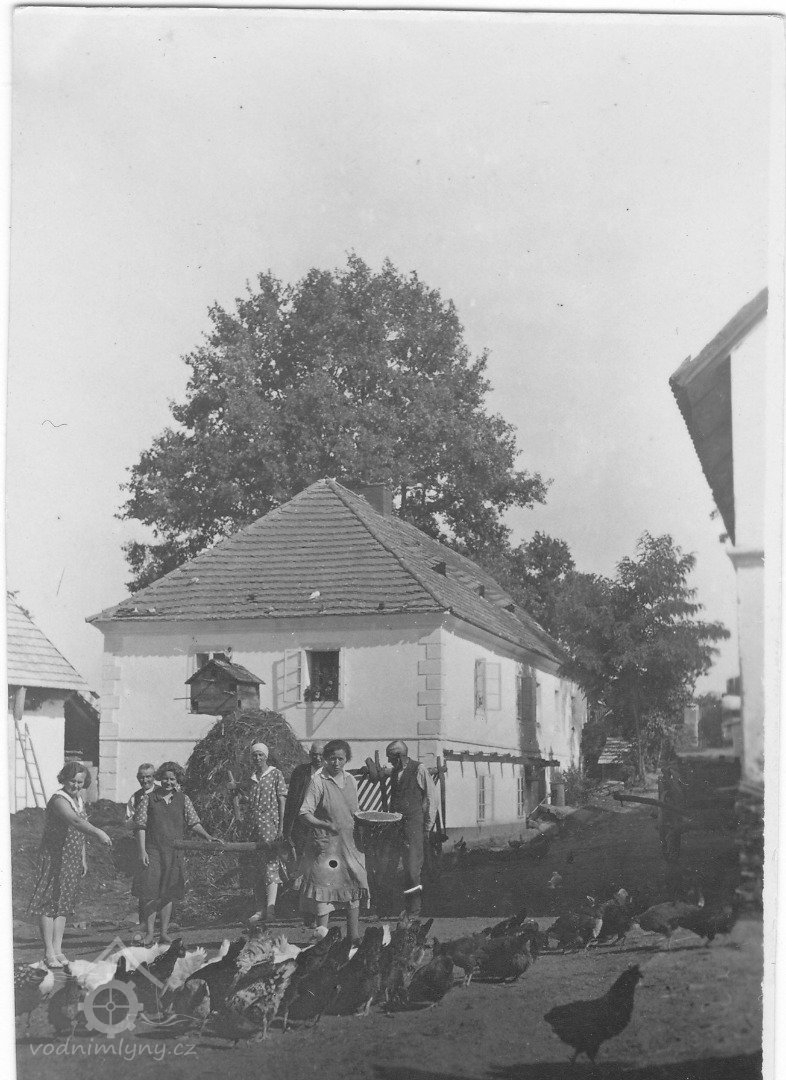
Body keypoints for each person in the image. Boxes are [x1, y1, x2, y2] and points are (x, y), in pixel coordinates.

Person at [27, 761, 113, 968]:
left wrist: (82, 857)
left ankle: (58, 949)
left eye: (80, 782)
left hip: (71, 858)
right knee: (49, 902)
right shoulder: (59, 800)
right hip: (55, 857)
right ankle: (48, 951)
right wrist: (99, 832)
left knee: (63, 904)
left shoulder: (78, 800)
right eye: (72, 781)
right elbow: (75, 822)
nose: (75, 785)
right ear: (64, 779)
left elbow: (78, 833)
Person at [133, 761, 220, 944]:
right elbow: (140, 826)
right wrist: (142, 851)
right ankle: (150, 934)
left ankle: (164, 933)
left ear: (177, 780)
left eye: (172, 779)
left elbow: (193, 822)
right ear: (159, 779)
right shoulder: (149, 799)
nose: (168, 782)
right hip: (153, 851)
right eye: (165, 779)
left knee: (168, 893)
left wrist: (207, 836)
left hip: (174, 852)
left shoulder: (183, 799)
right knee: (150, 892)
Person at [297, 739, 369, 944]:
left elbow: (354, 810)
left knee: (353, 883)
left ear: (346, 760)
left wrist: (364, 820)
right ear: (326, 759)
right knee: (324, 888)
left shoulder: (351, 780)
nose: (336, 763)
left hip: (350, 843)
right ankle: (323, 939)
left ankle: (353, 936)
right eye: (332, 758)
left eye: (340, 759)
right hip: (326, 844)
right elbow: (304, 813)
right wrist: (325, 825)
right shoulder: (318, 781)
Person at [232, 742, 288, 925]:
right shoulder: (251, 778)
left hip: (270, 826)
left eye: (260, 755)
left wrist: (281, 827)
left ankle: (271, 909)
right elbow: (247, 799)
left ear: (266, 756)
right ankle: (259, 909)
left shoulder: (275, 774)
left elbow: (282, 801)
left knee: (271, 865)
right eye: (254, 755)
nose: (257, 758)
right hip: (253, 827)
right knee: (256, 868)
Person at [382, 740, 437, 915]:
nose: (389, 761)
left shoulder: (419, 769)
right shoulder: (395, 772)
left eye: (390, 757)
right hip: (396, 827)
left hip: (414, 826)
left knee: (413, 870)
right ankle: (393, 908)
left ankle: (414, 910)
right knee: (392, 868)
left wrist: (427, 826)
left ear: (399, 756)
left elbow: (431, 798)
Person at [283, 742, 326, 856]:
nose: (318, 758)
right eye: (315, 754)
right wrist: (287, 826)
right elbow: (291, 799)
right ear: (310, 754)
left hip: (320, 821)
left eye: (321, 755)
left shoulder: (329, 773)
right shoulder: (300, 771)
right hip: (301, 821)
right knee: (300, 854)